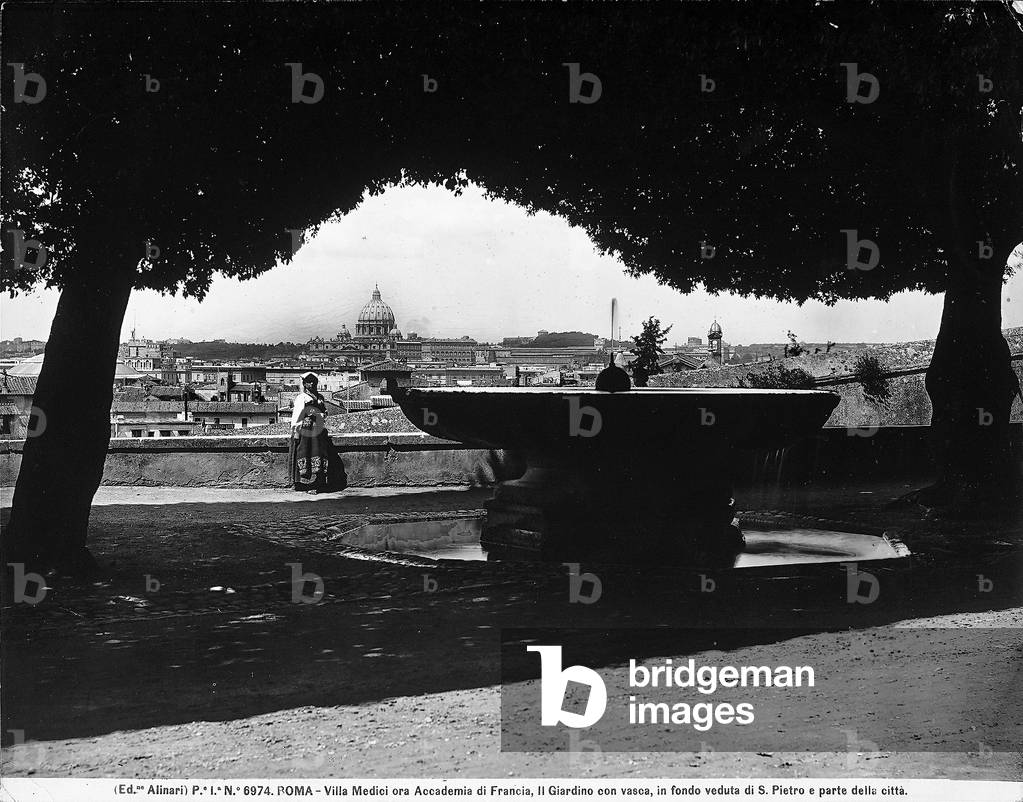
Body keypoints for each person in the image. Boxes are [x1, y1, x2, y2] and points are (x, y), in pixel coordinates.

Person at [288, 372, 347, 494]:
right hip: (306, 430)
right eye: (309, 381)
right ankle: (305, 483)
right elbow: (297, 415)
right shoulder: (302, 398)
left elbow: (324, 411)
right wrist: (296, 431)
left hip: (318, 431)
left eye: (314, 381)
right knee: (305, 453)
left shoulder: (320, 397)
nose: (311, 383)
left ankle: (317, 482)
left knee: (318, 453)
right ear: (304, 384)